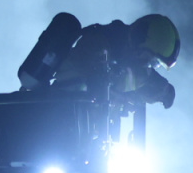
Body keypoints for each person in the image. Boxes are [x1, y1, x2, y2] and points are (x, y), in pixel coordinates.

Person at [17, 11, 180, 108]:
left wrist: (162, 89)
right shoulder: (98, 42)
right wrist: (116, 93)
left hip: (90, 129)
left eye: (155, 64)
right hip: (61, 109)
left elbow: (140, 76)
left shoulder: (130, 55)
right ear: (138, 41)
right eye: (151, 60)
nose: (149, 65)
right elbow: (88, 72)